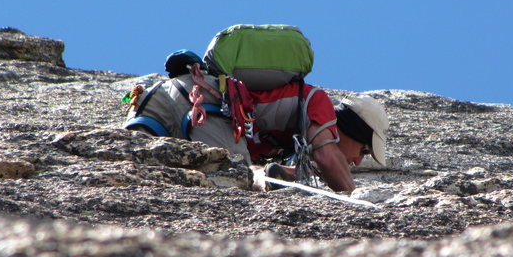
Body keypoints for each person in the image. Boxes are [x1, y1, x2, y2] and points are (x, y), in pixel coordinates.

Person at [248, 82, 388, 193]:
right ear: (353, 130)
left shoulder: (295, 138)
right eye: (364, 151)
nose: (358, 162)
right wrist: (355, 197)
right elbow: (327, 159)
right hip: (228, 120)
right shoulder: (318, 102)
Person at [122, 50, 251, 162]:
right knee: (239, 165)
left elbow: (135, 125)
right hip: (219, 142)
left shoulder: (150, 92)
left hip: (147, 154)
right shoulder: (217, 83)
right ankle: (259, 177)